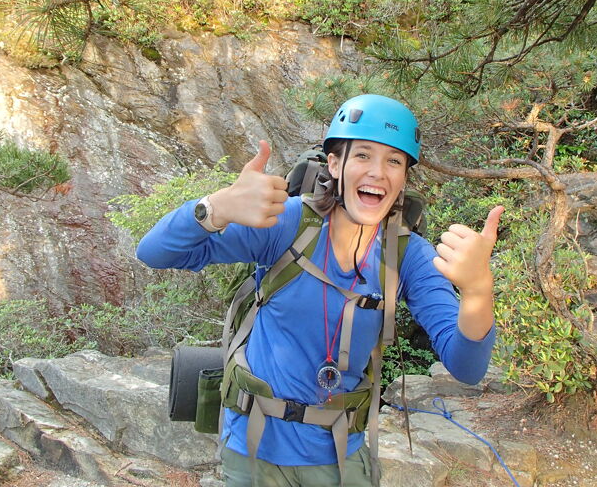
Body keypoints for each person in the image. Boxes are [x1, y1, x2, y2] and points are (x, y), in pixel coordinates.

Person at [137, 94, 502, 487]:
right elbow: (155, 252)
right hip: (254, 450)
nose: (378, 172)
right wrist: (217, 207)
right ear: (335, 164)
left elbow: (467, 367)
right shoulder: (289, 224)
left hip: (338, 458)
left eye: (394, 161)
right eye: (362, 155)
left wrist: (479, 290)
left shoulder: (407, 255)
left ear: (403, 178)